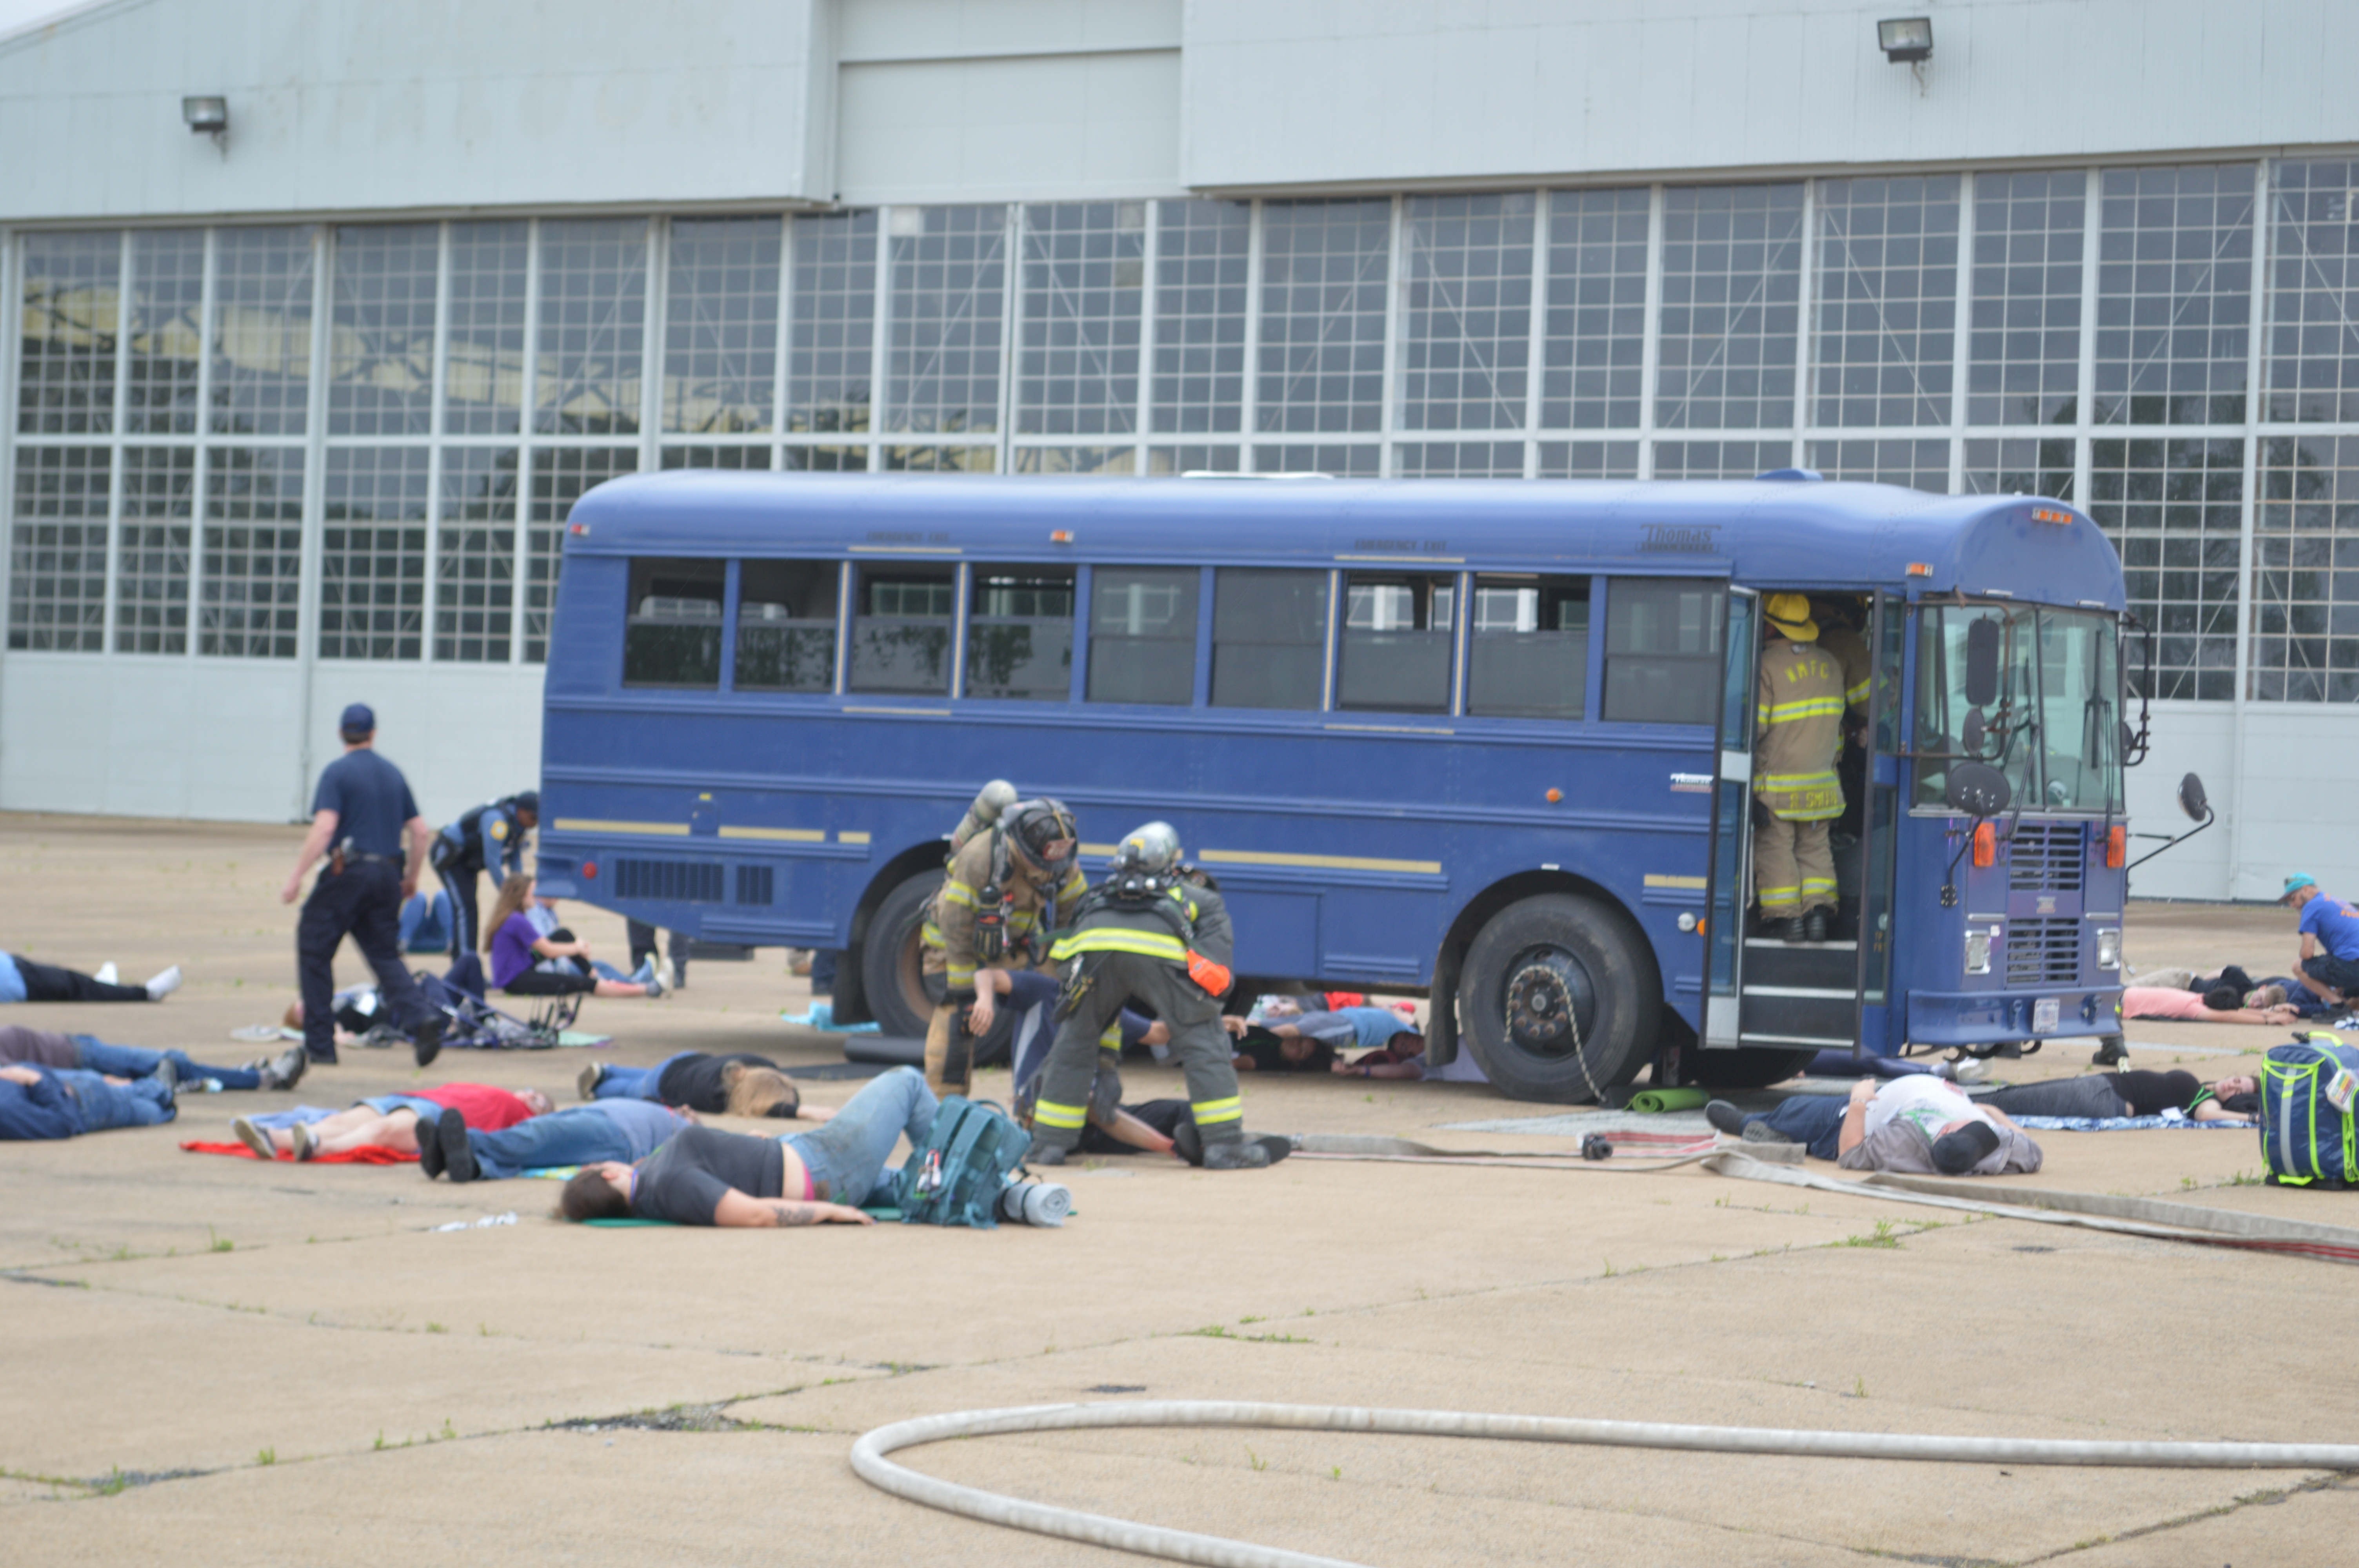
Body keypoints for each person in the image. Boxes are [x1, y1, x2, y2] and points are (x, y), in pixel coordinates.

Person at [1033, 821, 1283, 1171]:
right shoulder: (1200, 899)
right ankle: (1224, 1144)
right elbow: (1218, 975)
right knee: (1205, 1043)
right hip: (1160, 960)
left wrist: (1107, 1067)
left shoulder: (1098, 896)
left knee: (1074, 1042)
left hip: (1092, 953)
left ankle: (1048, 1144)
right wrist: (1201, 1010)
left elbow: (1103, 1007)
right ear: (1169, 861)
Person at [557, 1065, 938, 1225]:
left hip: (809, 1160)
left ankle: (959, 1187)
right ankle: (948, 1168)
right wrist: (830, 1212)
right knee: (906, 1081)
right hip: (824, 1165)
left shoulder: (653, 1184)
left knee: (918, 1187)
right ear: (607, 1174)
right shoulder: (671, 1182)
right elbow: (756, 1214)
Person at [282, 704, 445, 1069]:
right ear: (373, 733)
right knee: (385, 955)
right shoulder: (393, 774)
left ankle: (321, 1045)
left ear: (342, 733)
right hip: (388, 874)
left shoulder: (337, 773)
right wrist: (411, 878)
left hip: (349, 872)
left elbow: (326, 826)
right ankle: (421, 1019)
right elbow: (420, 832)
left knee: (314, 946)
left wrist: (296, 877)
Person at [922, 796, 1086, 1096]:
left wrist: (1068, 972)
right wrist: (968, 990)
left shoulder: (1058, 859)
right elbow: (956, 927)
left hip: (1013, 946)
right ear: (1021, 847)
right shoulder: (980, 857)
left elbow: (1074, 917)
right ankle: (944, 1103)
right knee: (960, 1016)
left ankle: (1042, 1092)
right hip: (953, 948)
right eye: (1040, 864)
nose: (1047, 871)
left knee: (1055, 998)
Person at [1706, 1075, 2042, 1175]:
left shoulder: (1906, 1142)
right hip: (1886, 1102)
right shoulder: (2002, 1146)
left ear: (1945, 1132)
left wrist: (1859, 1099)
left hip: (1850, 1120)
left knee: (1796, 1109)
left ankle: (1748, 1124)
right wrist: (1990, 1112)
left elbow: (1850, 1153)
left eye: (1963, 1123)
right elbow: (2029, 1146)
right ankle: (1780, 1133)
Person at [1754, 593, 1846, 942]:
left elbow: (1753, 730)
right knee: (1814, 848)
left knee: (1776, 848)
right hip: (1823, 786)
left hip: (1777, 788)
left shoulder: (1766, 665)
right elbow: (1837, 730)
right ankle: (1818, 914)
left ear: (1770, 627)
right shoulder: (1830, 663)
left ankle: (1788, 919)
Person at [229, 1081, 552, 1161]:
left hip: (440, 1114)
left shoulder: (519, 1118)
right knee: (345, 1120)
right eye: (531, 1091)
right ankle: (278, 1137)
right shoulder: (496, 1091)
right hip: (416, 1098)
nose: (529, 1095)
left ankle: (319, 1147)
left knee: (380, 1131)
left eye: (538, 1101)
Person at [426, 1098, 694, 1183]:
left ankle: (463, 1141)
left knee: (537, 1137)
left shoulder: (685, 1130)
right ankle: (471, 1165)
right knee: (537, 1148)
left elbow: (659, 1164)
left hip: (616, 1134)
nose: (687, 1108)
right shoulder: (665, 1114)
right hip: (605, 1122)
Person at [483, 875, 663, 1000]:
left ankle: (594, 974)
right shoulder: (517, 920)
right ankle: (643, 989)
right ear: (521, 895)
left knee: (564, 935)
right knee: (580, 984)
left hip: (523, 968)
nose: (535, 895)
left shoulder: (514, 917)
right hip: (517, 980)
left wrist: (575, 947)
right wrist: (577, 948)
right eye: (532, 891)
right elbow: (548, 950)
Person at [0, 1024, 305, 1093]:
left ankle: (237, 1075)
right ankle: (264, 1079)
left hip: (73, 1047)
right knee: (173, 1064)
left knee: (175, 1067)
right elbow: (28, 1076)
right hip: (79, 1059)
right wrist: (104, 1081)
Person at [430, 790, 539, 960]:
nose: (535, 823)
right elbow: (492, 861)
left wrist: (521, 889)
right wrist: (509, 894)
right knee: (466, 908)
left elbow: (515, 859)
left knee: (469, 909)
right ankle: (465, 964)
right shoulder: (498, 822)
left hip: (466, 864)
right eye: (534, 818)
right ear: (521, 811)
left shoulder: (518, 827)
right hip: (450, 858)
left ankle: (466, 960)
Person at [580, 1052, 830, 1120]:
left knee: (646, 1075)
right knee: (630, 1090)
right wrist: (801, 1111)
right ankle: (597, 1087)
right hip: (665, 1084)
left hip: (687, 1061)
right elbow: (767, 1107)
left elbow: (778, 1086)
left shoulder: (759, 1066)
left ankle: (607, 1069)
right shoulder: (715, 1098)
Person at [1977, 1069, 2261, 1123]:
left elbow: (2207, 1115)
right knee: (2012, 1095)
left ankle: (1957, 1103)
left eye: (2239, 1092)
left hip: (2103, 1098)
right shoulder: (2204, 1088)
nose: (2232, 1087)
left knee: (2008, 1102)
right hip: (2101, 1086)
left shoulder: (2207, 1101)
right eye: (2237, 1081)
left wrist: (2251, 1118)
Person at [1245, 1001, 1426, 1080]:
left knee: (1284, 1032)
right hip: (1340, 1019)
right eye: (1405, 1038)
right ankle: (1236, 1034)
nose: (1409, 1040)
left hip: (1347, 1025)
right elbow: (1406, 1013)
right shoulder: (1409, 1026)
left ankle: (1246, 1044)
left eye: (1405, 1046)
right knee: (1264, 1027)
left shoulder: (1411, 1040)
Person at [0, 1061, 178, 1139]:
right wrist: (37, 1081)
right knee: (145, 1108)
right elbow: (61, 1124)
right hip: (85, 1106)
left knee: (129, 1094)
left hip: (69, 1086)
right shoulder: (6, 1112)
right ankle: (162, 1092)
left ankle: (159, 1089)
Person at [2280, 874, 2359, 1007]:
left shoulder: (2312, 906)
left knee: (2299, 966)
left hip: (2352, 966)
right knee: (2347, 995)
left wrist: (2326, 992)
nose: (2292, 905)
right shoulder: (2336, 902)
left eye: (2293, 898)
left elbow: (2307, 954)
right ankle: (2345, 1008)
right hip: (2353, 964)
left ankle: (2337, 1007)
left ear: (2306, 890)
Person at [0, 951, 180, 1004]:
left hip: (15, 968)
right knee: (79, 986)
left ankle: (106, 986)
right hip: (22, 982)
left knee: (78, 983)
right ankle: (146, 994)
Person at [2120, 986, 2300, 1025]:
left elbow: (2236, 1011)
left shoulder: (2196, 998)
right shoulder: (2192, 1009)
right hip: (2119, 1005)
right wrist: (2269, 1021)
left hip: (2124, 993)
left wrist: (2271, 1014)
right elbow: (2229, 1016)